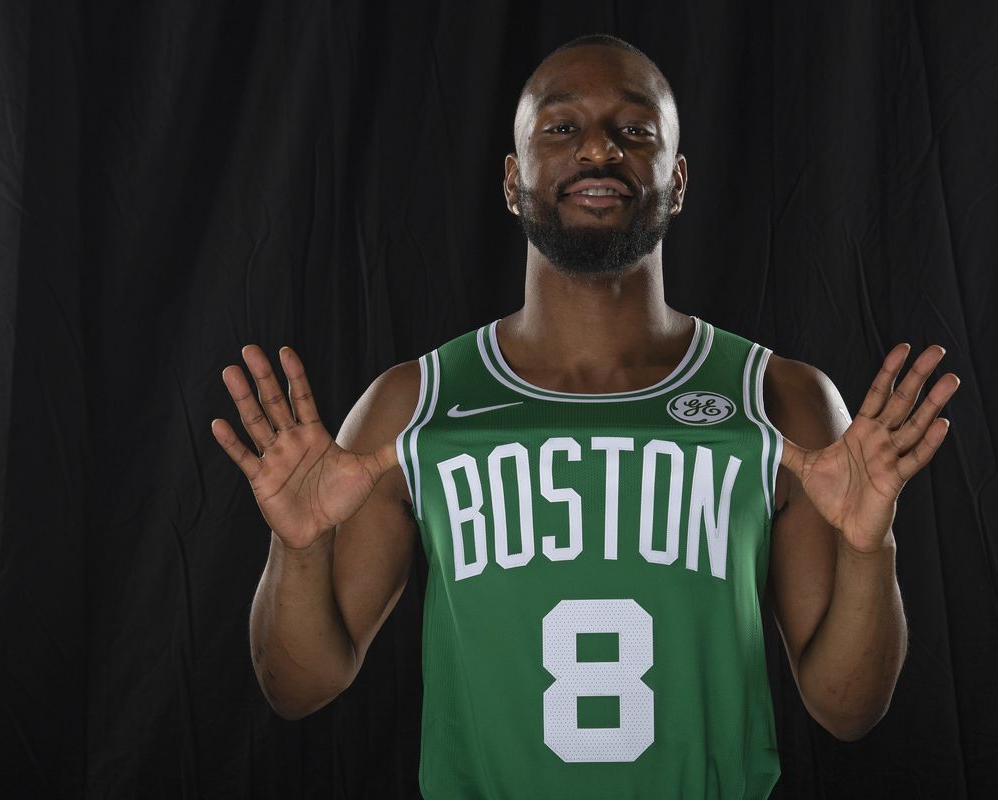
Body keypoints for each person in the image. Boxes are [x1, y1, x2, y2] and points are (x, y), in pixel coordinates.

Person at [211, 34, 960, 799]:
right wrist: (298, 547)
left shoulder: (779, 399)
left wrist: (870, 549)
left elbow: (847, 710)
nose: (600, 149)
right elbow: (299, 688)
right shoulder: (413, 404)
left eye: (634, 128)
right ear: (513, 180)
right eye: (561, 126)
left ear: (677, 180)